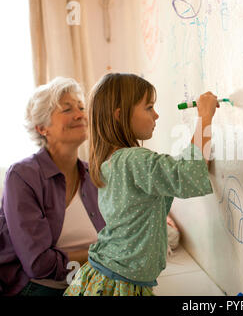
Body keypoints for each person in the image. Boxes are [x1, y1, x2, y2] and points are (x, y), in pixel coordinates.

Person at [64, 73, 218, 296]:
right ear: (120, 115)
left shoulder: (112, 159)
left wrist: (199, 156)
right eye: (148, 107)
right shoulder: (133, 160)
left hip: (108, 274)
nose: (156, 115)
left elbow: (184, 170)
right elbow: (187, 175)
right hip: (119, 283)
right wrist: (204, 117)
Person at [0, 77, 105, 296]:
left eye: (81, 107)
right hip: (38, 287)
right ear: (42, 128)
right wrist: (103, 252)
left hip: (89, 280)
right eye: (67, 109)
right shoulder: (22, 176)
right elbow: (38, 264)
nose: (80, 115)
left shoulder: (93, 173)